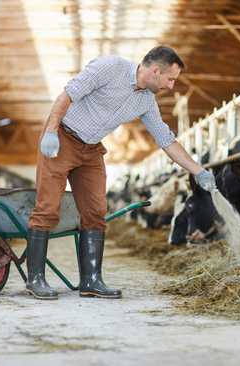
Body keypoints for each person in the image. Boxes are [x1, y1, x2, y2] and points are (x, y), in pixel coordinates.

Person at [26, 46, 216, 300]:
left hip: (91, 149)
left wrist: (198, 170)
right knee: (48, 207)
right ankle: (35, 278)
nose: (171, 87)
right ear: (155, 71)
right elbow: (67, 95)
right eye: (170, 79)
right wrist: (50, 131)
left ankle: (91, 280)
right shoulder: (110, 67)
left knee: (96, 212)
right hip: (62, 137)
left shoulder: (146, 101)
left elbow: (166, 140)